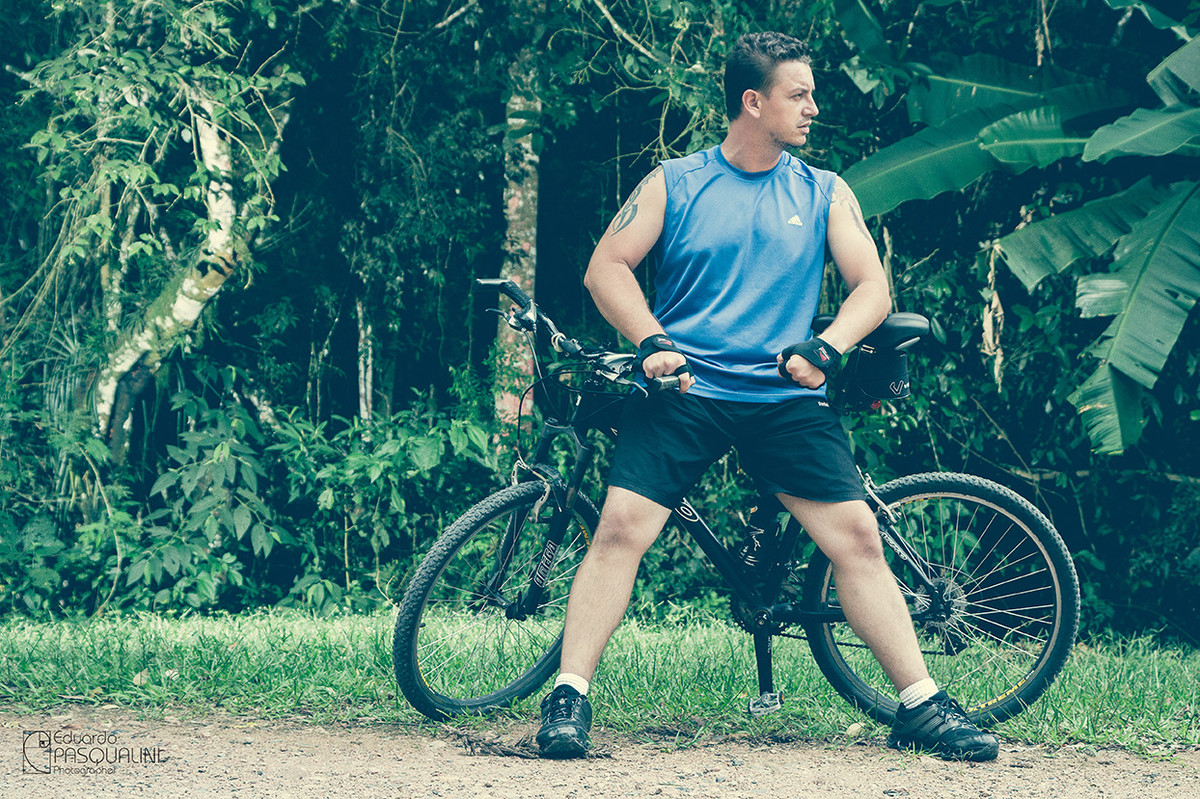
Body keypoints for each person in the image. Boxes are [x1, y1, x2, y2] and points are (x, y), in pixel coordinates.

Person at [534, 31, 1000, 763]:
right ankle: (568, 696)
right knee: (621, 526)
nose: (813, 106)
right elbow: (607, 268)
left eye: (811, 93)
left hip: (781, 395)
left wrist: (827, 348)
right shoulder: (674, 182)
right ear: (753, 102)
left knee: (856, 536)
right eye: (799, 94)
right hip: (686, 388)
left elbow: (872, 288)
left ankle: (921, 704)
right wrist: (653, 341)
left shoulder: (823, 191)